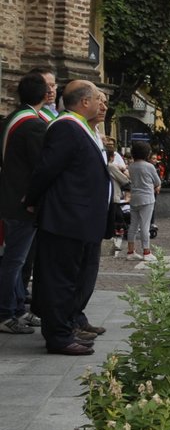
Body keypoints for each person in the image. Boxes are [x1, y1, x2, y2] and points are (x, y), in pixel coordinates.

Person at [23, 81, 110, 355]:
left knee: (69, 277)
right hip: (65, 218)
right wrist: (32, 200)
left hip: (76, 218)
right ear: (84, 102)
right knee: (59, 279)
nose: (102, 104)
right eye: (98, 98)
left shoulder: (79, 127)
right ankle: (58, 336)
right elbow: (47, 169)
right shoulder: (66, 127)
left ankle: (67, 327)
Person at [0, 72, 52, 334]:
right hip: (22, 203)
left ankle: (17, 306)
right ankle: (6, 313)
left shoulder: (11, 118)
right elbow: (40, 167)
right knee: (15, 261)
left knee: (13, 259)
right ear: (45, 95)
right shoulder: (33, 124)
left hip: (8, 197)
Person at [124, 141, 161, 264]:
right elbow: (157, 181)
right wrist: (156, 186)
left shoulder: (131, 166)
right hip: (147, 198)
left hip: (134, 197)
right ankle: (146, 252)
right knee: (145, 226)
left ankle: (130, 252)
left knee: (133, 225)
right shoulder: (149, 166)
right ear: (147, 153)